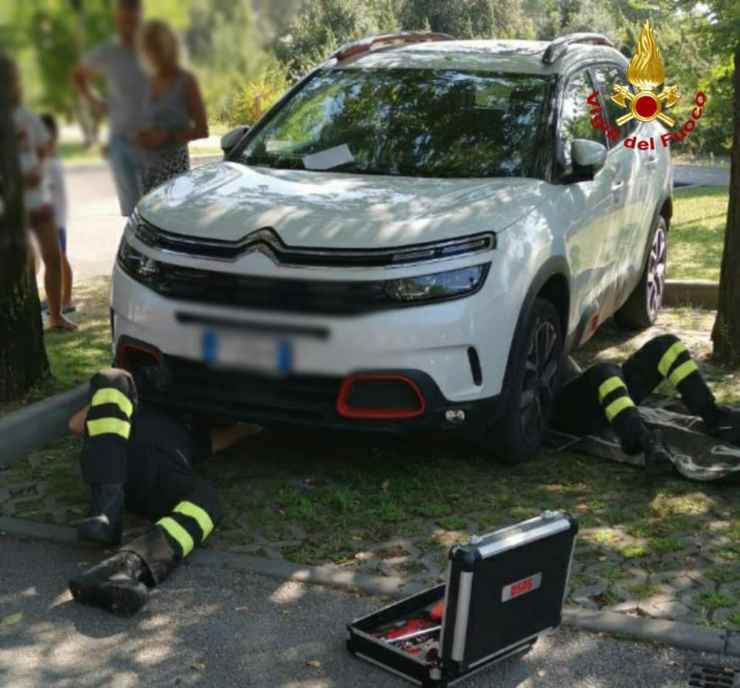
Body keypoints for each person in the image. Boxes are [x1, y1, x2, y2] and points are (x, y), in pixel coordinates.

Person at [67, 367, 253, 616]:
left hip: (162, 482)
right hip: (115, 467)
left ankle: (127, 567)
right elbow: (77, 424)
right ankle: (105, 515)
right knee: (112, 377)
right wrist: (135, 384)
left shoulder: (194, 429)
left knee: (207, 497)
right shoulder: (131, 402)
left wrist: (250, 425)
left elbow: (236, 432)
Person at [551, 334, 740, 473]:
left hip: (599, 393)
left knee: (666, 345)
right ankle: (642, 440)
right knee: (606, 371)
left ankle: (714, 418)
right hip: (562, 411)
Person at [10, 61, 77, 332]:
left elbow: (44, 149)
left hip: (39, 202)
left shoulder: (27, 117)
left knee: (53, 256)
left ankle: (56, 316)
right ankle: (21, 322)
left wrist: (37, 168)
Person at [72, 0, 148, 216]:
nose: (129, 25)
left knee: (159, 210)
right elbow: (78, 75)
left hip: (155, 143)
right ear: (117, 19)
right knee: (133, 213)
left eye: (133, 19)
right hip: (122, 143)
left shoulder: (153, 49)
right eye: (124, 19)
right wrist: (96, 102)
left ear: (141, 17)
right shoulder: (108, 52)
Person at [137, 20, 208, 193]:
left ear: (169, 46)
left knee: (171, 218)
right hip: (147, 170)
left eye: (158, 48)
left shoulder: (186, 81)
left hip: (174, 172)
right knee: (146, 218)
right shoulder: (147, 83)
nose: (154, 55)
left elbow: (202, 130)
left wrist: (168, 136)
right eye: (149, 49)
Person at [41, 114, 74, 314]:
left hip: (55, 218)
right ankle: (54, 295)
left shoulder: (51, 160)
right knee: (51, 258)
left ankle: (67, 299)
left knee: (60, 257)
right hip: (49, 217)